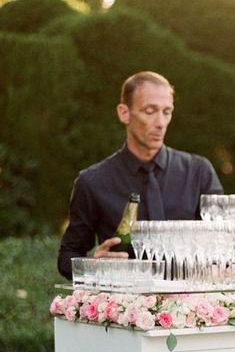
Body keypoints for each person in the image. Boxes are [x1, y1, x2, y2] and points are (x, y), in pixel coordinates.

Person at [58, 71, 223, 279]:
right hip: (126, 305)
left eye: (167, 111)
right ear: (124, 113)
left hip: (191, 303)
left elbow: (221, 244)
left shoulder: (198, 171)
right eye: (150, 111)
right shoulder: (92, 182)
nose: (161, 122)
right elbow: (67, 256)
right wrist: (95, 266)